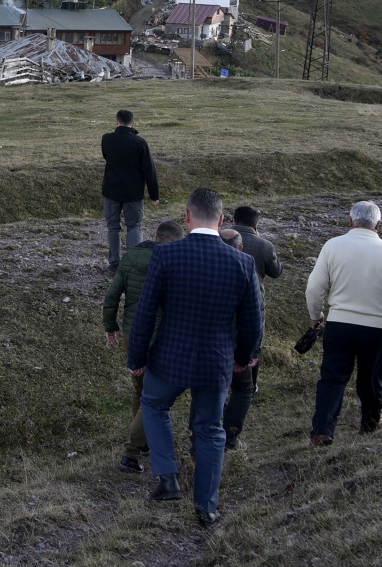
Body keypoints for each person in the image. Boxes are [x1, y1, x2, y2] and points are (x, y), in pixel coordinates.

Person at [128, 188, 262, 527]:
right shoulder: (243, 262)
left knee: (155, 406)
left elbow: (145, 313)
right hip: (216, 362)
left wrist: (137, 357)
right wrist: (244, 358)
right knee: (210, 429)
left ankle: (168, 478)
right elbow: (252, 322)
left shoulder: (166, 256)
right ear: (221, 219)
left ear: (187, 217)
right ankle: (207, 507)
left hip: (169, 358)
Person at [305, 201, 382, 446]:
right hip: (379, 328)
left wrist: (316, 316)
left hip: (340, 324)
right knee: (371, 378)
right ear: (379, 225)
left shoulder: (332, 246)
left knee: (332, 378)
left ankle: (323, 430)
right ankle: (370, 423)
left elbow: (314, 288)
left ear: (350, 220)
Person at [104, 219, 187, 474]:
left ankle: (143, 443)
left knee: (139, 392)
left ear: (156, 235)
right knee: (153, 397)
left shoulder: (131, 256)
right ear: (177, 241)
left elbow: (113, 293)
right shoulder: (174, 260)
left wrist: (110, 325)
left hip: (131, 332)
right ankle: (131, 452)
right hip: (160, 336)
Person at [219, 206, 282, 450]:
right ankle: (231, 433)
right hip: (251, 309)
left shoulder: (221, 237)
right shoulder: (263, 245)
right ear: (257, 224)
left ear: (233, 220)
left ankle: (215, 419)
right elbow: (276, 272)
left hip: (220, 316)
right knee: (244, 381)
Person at [101, 109, 160, 269]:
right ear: (133, 124)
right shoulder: (140, 142)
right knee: (134, 226)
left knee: (113, 226)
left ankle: (114, 262)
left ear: (116, 121)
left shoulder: (106, 139)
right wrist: (154, 195)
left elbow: (106, 156)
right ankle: (134, 264)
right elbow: (149, 170)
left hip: (111, 191)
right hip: (133, 193)